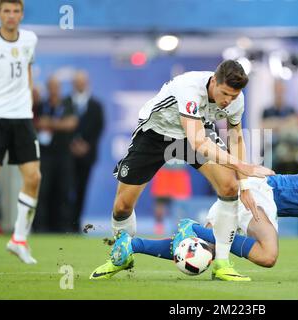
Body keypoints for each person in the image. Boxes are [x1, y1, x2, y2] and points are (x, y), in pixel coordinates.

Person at [90, 60, 274, 281]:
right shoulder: (189, 87)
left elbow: (236, 138)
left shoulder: (236, 100)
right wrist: (240, 165)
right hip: (156, 133)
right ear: (214, 81)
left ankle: (222, 263)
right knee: (122, 205)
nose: (227, 101)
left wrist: (244, 186)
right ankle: (122, 255)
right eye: (224, 93)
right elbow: (199, 143)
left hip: (194, 132)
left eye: (233, 97)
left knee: (229, 186)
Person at [104, 174, 298, 281]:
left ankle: (134, 245)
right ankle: (196, 228)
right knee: (267, 255)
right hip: (260, 194)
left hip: (255, 196)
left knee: (201, 253)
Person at [0, 0, 40, 263]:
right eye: (6, 11)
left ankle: (19, 240)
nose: (11, 16)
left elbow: (28, 69)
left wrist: (29, 103)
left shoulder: (30, 39)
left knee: (34, 178)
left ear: (21, 14)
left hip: (22, 118)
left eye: (15, 11)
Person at [33, 76, 78, 232]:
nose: (53, 89)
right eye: (51, 86)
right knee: (42, 190)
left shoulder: (67, 104)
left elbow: (71, 123)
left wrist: (50, 123)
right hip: (44, 155)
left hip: (63, 155)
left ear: (59, 88)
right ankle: (40, 226)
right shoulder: (41, 105)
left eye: (56, 86)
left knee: (64, 191)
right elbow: (36, 123)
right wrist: (58, 124)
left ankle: (64, 227)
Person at [64, 70, 104, 233]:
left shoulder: (96, 105)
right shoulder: (65, 102)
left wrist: (86, 145)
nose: (80, 84)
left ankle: (75, 223)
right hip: (66, 155)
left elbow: (98, 128)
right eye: (77, 81)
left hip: (87, 156)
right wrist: (71, 143)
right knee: (65, 188)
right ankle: (63, 222)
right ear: (73, 83)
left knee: (81, 189)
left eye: (82, 81)